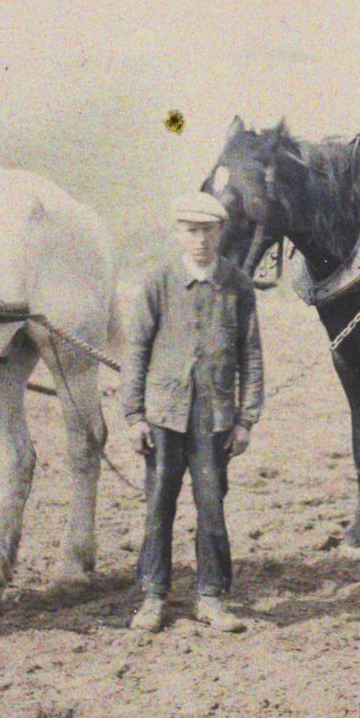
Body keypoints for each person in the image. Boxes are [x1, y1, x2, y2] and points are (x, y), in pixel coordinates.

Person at [120, 191, 264, 634]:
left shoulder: (237, 285)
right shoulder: (158, 282)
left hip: (214, 419)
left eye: (208, 230)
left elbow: (251, 355)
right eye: (191, 230)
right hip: (164, 415)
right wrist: (133, 416)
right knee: (158, 506)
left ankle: (211, 597)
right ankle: (153, 597)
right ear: (179, 233)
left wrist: (245, 419)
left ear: (221, 232)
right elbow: (136, 351)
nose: (200, 239)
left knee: (211, 508)